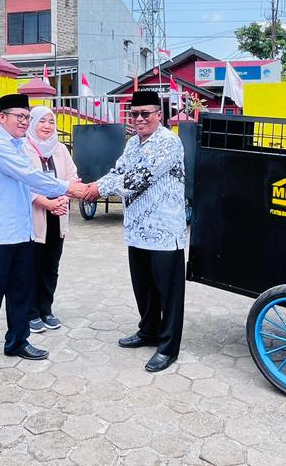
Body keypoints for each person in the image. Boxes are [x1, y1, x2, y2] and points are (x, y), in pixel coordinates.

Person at [0, 93, 88, 385]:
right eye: (19, 117)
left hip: (22, 232)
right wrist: (71, 189)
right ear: (1, 118)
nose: (24, 122)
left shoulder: (19, 145)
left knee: (21, 293)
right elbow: (31, 176)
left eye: (26, 117)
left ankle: (18, 341)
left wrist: (66, 188)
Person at [82, 90, 187, 373]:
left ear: (159, 115)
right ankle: (148, 332)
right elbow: (118, 172)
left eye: (146, 114)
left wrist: (95, 190)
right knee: (144, 287)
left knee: (169, 292)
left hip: (165, 231)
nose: (140, 119)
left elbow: (140, 178)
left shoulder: (169, 142)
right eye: (135, 114)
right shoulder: (132, 144)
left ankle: (168, 347)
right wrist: (93, 186)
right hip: (137, 229)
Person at [24, 105, 77, 334]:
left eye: (51, 122)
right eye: (42, 121)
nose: (47, 126)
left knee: (51, 266)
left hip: (58, 214)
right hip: (35, 217)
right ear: (33, 123)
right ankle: (31, 313)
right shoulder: (24, 148)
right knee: (31, 266)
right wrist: (46, 202)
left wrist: (64, 198)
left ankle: (46, 309)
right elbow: (23, 183)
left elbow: (72, 176)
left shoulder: (60, 149)